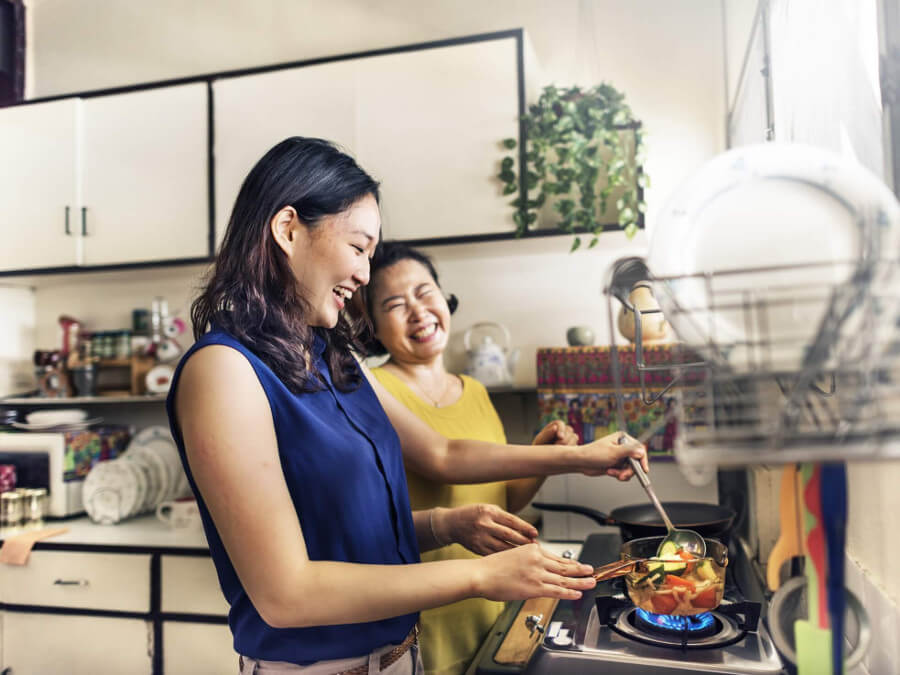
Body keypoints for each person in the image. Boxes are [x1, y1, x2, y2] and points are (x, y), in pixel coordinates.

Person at [167, 136, 649, 675]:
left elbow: (437, 454)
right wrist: (481, 576)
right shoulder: (223, 373)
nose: (365, 275)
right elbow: (287, 593)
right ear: (287, 229)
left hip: (402, 657)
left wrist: (450, 522)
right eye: (357, 248)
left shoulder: (332, 359)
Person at [364, 241, 581, 675]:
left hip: (493, 609)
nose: (418, 311)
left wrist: (544, 456)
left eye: (425, 293)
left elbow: (502, 503)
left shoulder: (475, 390)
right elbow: (443, 461)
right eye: (394, 304)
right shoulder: (370, 388)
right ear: (371, 326)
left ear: (445, 299)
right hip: (422, 619)